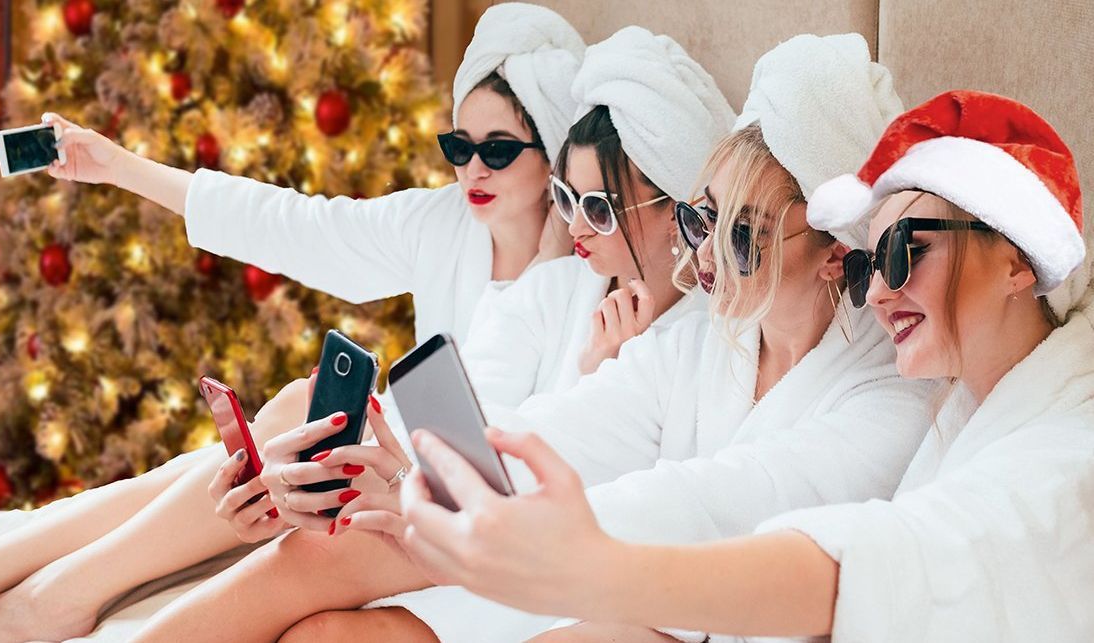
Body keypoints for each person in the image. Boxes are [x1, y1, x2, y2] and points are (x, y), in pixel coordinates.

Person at [396, 90, 1094, 642]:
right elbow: (572, 426)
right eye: (875, 260)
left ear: (1015, 261)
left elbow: (874, 562)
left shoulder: (1059, 451)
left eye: (905, 251)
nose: (878, 289)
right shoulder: (967, 408)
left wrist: (591, 565)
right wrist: (409, 471)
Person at [0, 5, 584, 641]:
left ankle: (55, 597)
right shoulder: (444, 222)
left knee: (295, 424)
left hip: (460, 512)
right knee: (261, 434)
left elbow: (537, 454)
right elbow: (297, 226)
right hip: (393, 469)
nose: (472, 170)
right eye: (458, 147)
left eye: (496, 150)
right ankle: (38, 577)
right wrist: (117, 167)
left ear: (554, 153)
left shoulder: (588, 275)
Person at [125, 25, 735, 643]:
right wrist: (373, 480)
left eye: (598, 208)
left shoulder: (705, 342)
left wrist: (595, 371)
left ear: (678, 207)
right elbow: (479, 410)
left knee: (326, 602)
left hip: (558, 563)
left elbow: (645, 493)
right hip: (475, 520)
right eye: (566, 199)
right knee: (310, 523)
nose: (575, 225)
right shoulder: (555, 288)